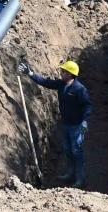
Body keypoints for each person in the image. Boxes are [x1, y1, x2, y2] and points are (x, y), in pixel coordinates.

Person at [18, 60, 92, 188]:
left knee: (77, 151)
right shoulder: (61, 84)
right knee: (68, 150)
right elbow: (45, 82)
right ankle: (70, 173)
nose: (60, 73)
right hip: (65, 124)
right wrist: (30, 73)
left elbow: (87, 106)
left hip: (76, 126)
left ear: (69, 74)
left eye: (63, 71)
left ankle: (80, 179)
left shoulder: (80, 89)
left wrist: (85, 121)